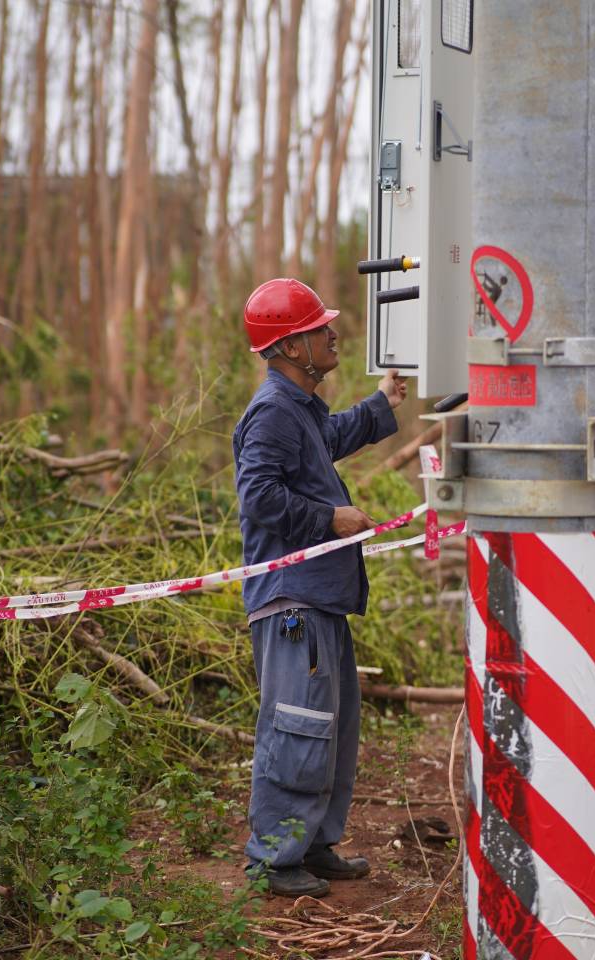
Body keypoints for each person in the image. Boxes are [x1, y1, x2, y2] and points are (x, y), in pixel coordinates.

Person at [233, 278, 406, 898]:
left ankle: (315, 844)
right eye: (319, 327)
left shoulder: (300, 408)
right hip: (293, 602)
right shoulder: (274, 411)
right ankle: (275, 861)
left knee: (332, 729)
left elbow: (326, 444)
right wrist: (328, 518)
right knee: (298, 727)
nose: (333, 333)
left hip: (322, 599)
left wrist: (383, 403)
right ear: (289, 346)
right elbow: (257, 497)